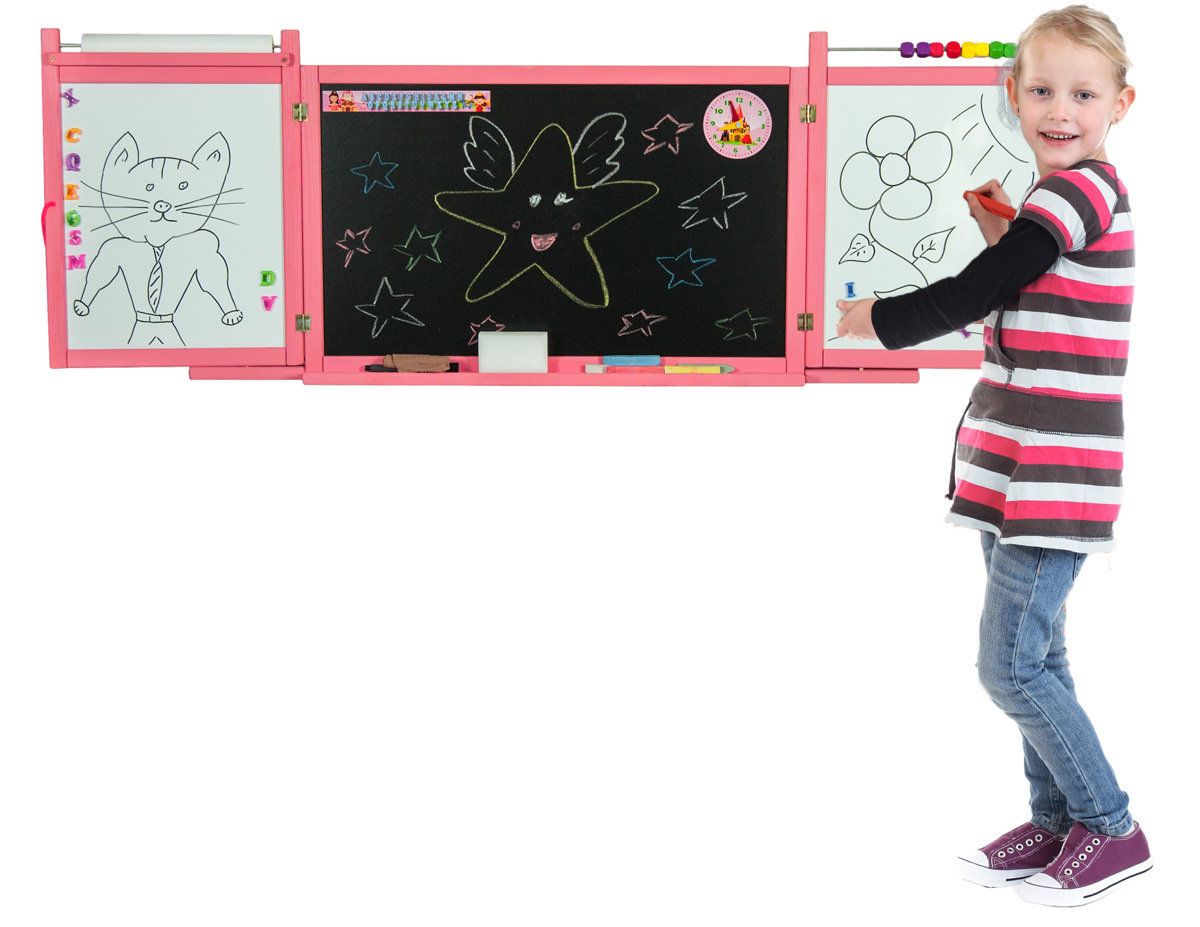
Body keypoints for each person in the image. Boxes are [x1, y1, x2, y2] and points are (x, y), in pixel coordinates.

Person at [835, 5, 1150, 908]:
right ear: (1013, 95)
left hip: (1053, 470)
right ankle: (1057, 821)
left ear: (1121, 104)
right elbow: (1026, 294)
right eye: (1042, 90)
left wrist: (879, 319)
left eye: (1083, 94)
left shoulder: (1078, 192)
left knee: (1008, 666)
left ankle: (1111, 826)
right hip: (1014, 461)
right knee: (1040, 653)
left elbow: (982, 290)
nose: (1060, 109)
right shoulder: (1055, 204)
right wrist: (1003, 234)